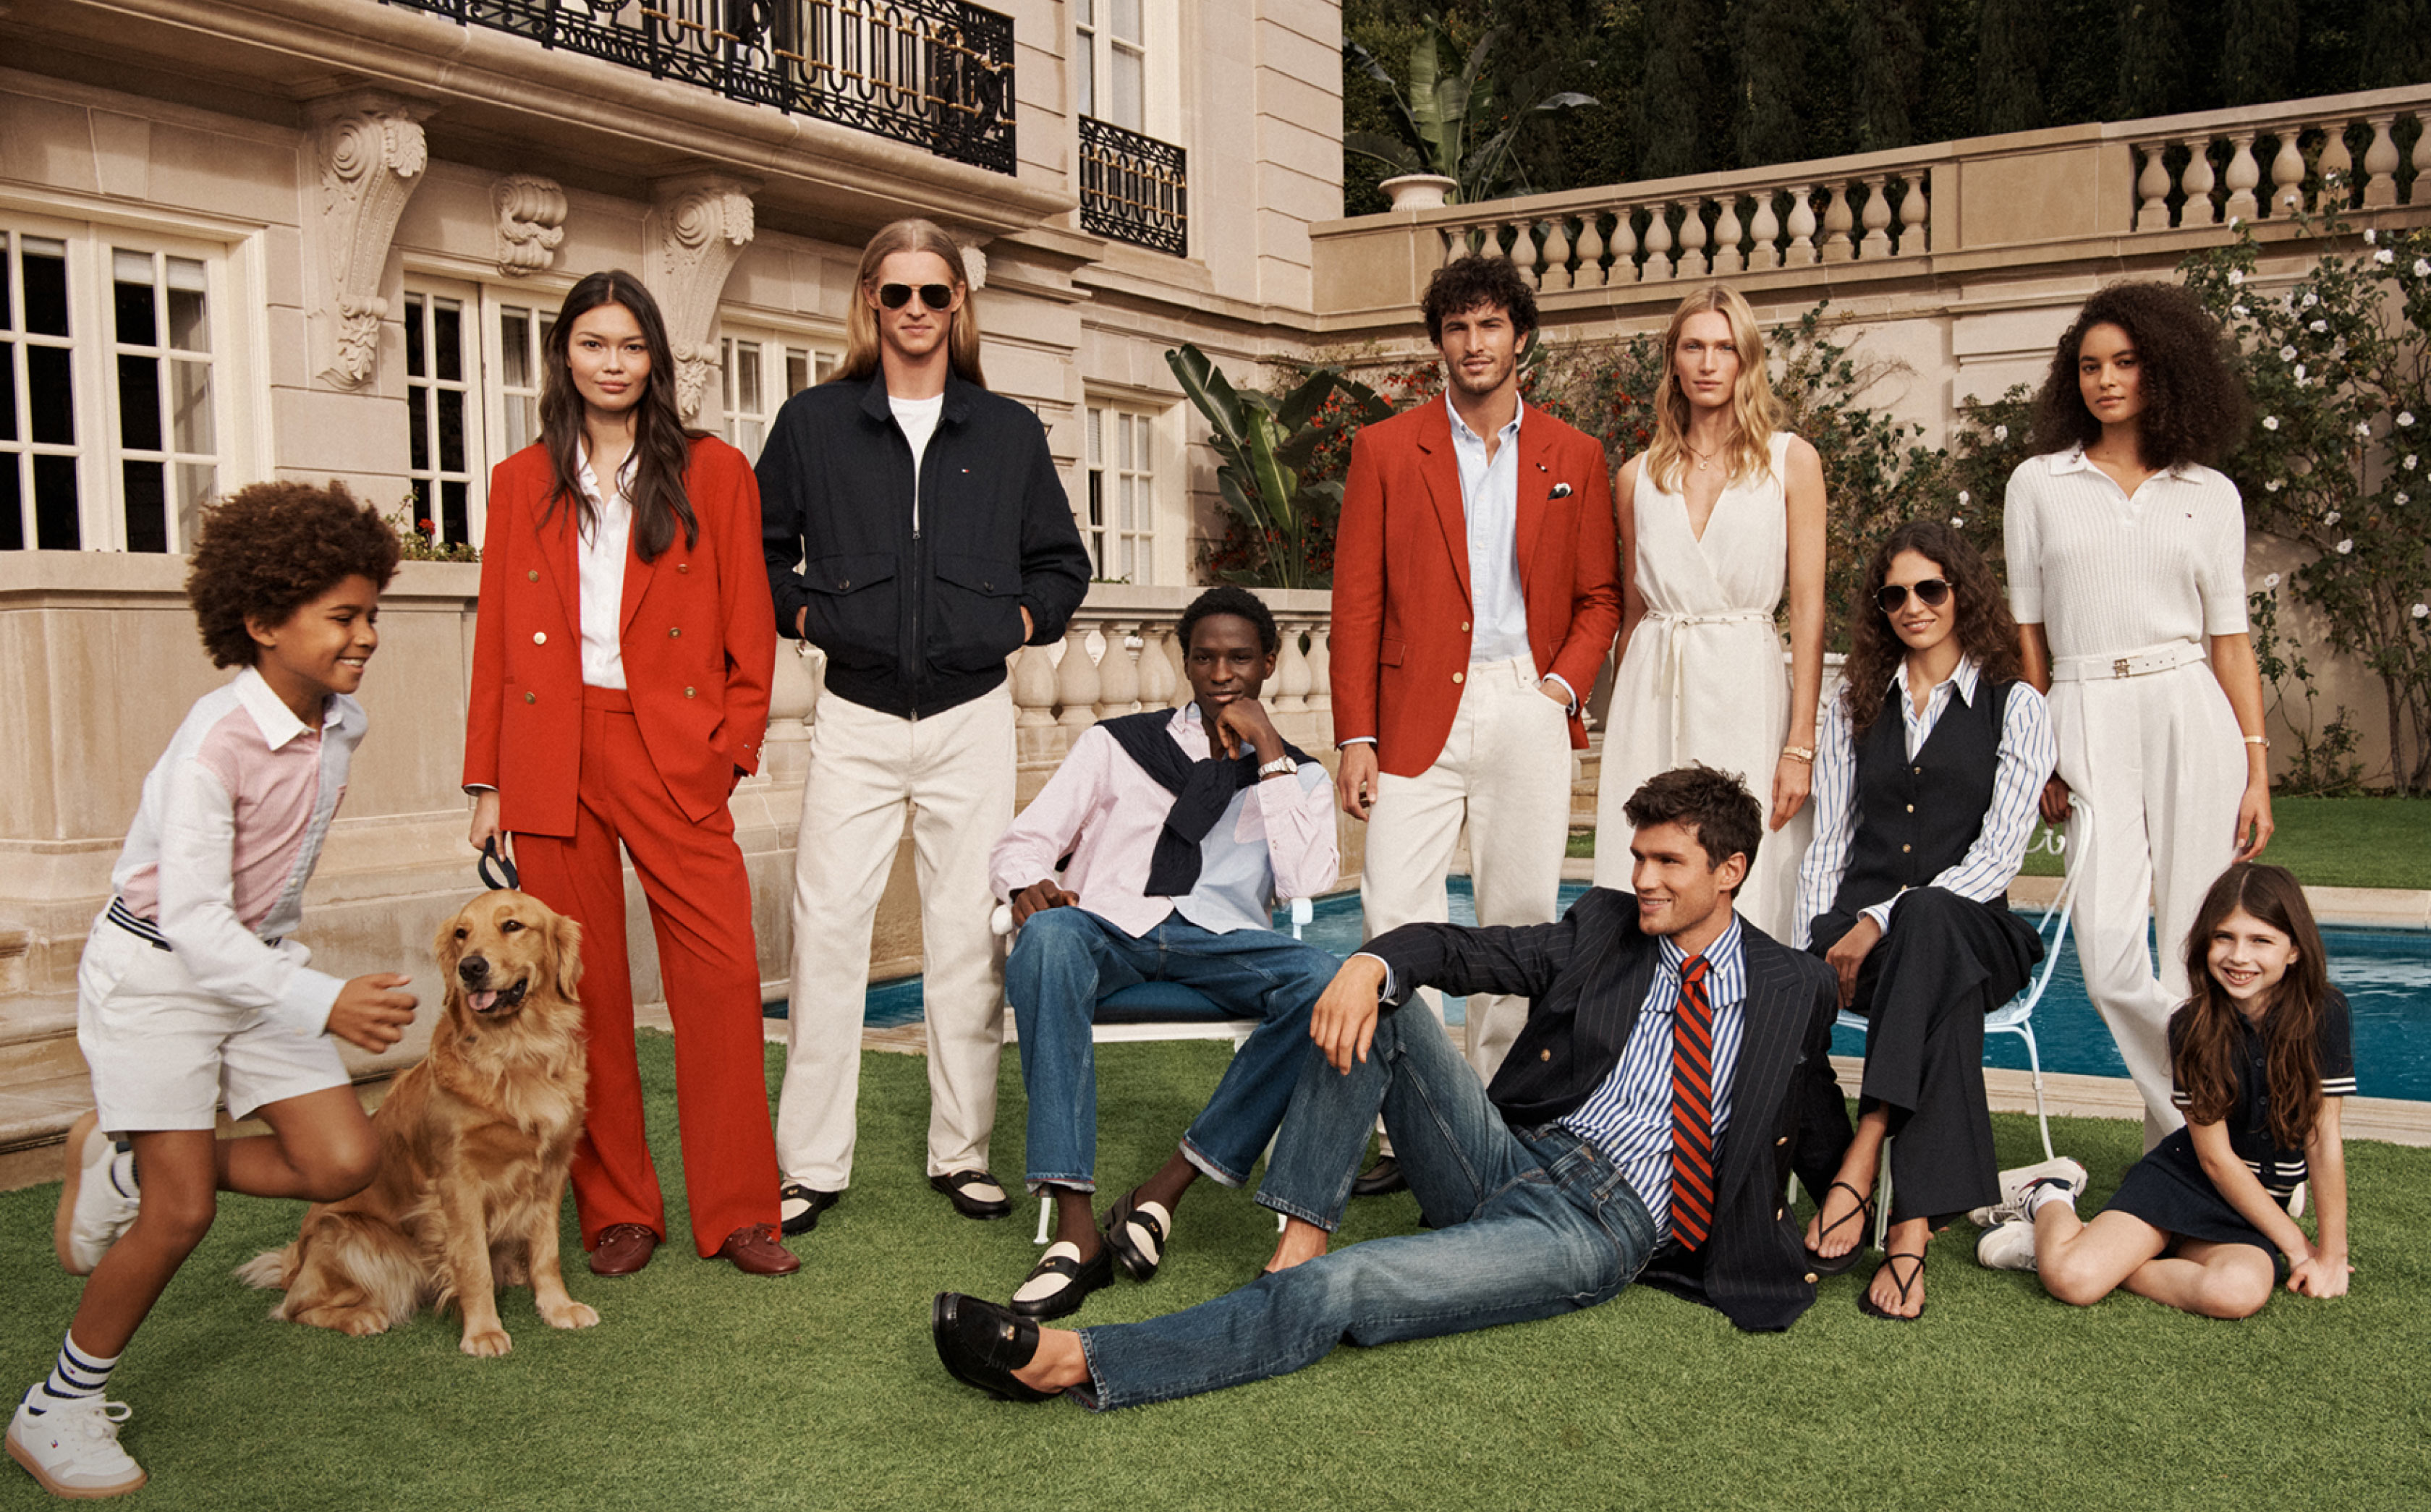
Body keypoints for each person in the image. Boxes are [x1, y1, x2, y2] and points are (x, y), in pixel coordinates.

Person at [929, 765, 1843, 1409]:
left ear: (1731, 871)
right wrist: (1368, 962)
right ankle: (1302, 1231)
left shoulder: (1791, 986)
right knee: (1380, 998)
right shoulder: (1606, 926)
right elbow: (1465, 949)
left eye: (1666, 864)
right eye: (1637, 856)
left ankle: (1074, 1361)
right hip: (1513, 1158)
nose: (1640, 879)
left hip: (1596, 1229)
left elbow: (1815, 1110)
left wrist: (1860, 1199)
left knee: (1354, 1285)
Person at [8, 483, 415, 1500]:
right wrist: (321, 998)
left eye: (372, 612)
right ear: (264, 620)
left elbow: (259, 894)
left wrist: (288, 983)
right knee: (182, 1211)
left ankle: (126, 1157)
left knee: (343, 1159)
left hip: (253, 966)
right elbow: (190, 920)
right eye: (342, 616)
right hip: (159, 974)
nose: (366, 635)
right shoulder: (211, 745)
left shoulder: (341, 721)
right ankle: (58, 1402)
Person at [464, 269, 794, 1279]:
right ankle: (617, 1210)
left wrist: (729, 748)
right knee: (579, 983)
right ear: (564, 353)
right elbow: (495, 646)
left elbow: (753, 621)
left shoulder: (714, 470)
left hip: (672, 749)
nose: (612, 363)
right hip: (548, 747)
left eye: (631, 346)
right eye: (594, 344)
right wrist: (487, 782)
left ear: (656, 358)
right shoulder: (522, 479)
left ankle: (741, 1210)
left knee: (723, 977)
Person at [760, 219, 1090, 1231]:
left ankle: (963, 1153)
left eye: (933, 295)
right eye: (896, 294)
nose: (914, 312)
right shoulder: (814, 423)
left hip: (969, 715)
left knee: (963, 934)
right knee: (827, 932)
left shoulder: (1006, 431)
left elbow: (1062, 565)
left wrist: (1015, 622)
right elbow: (758, 553)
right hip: (855, 713)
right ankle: (811, 1164)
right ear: (869, 301)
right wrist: (816, 617)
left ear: (959, 305)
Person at [1331, 252, 1621, 1194]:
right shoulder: (1385, 449)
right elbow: (1357, 604)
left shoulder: (1574, 455)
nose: (1474, 343)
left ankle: (1489, 1126)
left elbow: (1601, 598)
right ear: (1440, 342)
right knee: (1391, 916)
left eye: (1491, 324)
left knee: (1519, 924)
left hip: (1525, 704)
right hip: (1415, 708)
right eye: (1457, 327)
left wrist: (1559, 690)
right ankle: (1402, 1130)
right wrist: (1355, 735)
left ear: (1520, 337)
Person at [984, 586, 1341, 1319]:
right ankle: (1076, 1226)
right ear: (1186, 662)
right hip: (1110, 932)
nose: (1221, 673)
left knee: (1323, 978)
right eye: (1205, 657)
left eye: (1240, 657)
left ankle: (1163, 1188)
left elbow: (1307, 886)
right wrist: (1026, 883)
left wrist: (1269, 753)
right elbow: (1024, 842)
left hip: (1221, 946)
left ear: (1269, 663)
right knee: (1049, 937)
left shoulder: (1299, 774)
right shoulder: (1117, 744)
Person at [2004, 280, 2271, 1149]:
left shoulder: (2209, 493)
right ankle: (2234, 1114)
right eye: (2089, 366)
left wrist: (2257, 766)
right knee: (2111, 952)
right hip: (2084, 705)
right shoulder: (2039, 483)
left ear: (2164, 369)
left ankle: (2183, 1148)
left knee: (2202, 945)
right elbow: (2027, 630)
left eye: (2125, 362)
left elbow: (2231, 641)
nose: (2106, 380)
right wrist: (2042, 746)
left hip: (2191, 707)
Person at [1791, 521, 2058, 1320]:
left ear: (1962, 593)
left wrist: (1878, 917)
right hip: (1891, 952)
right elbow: (1831, 838)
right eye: (1895, 594)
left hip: (1980, 930)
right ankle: (1908, 1235)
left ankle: (1864, 1148)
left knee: (1935, 921)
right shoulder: (1855, 705)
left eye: (1930, 589)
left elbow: (1996, 858)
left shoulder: (2017, 705)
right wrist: (1819, 934)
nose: (1913, 606)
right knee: (1929, 990)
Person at [1976, 862, 2351, 1318]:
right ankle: (2050, 1192)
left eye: (2261, 940)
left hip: (2254, 1207)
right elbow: (2215, 1160)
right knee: (2073, 1280)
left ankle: (2102, 1252)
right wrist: (2297, 1248)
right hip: (2183, 1180)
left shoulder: (2324, 1013)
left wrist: (2331, 1256)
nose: (2239, 956)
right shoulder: (2192, 1026)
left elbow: (2322, 1137)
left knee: (2236, 1293)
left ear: (2294, 950)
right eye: (2224, 937)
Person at [1592, 284, 1825, 943]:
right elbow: (1633, 611)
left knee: (1744, 860)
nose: (1708, 362)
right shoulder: (1638, 476)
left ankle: (1750, 1030)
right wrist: (1620, 724)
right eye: (1693, 346)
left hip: (1745, 684)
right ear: (1673, 361)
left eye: (1725, 348)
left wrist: (1799, 745)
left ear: (1746, 360)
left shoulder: (1790, 462)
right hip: (1652, 686)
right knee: (1641, 861)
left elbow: (1808, 609)